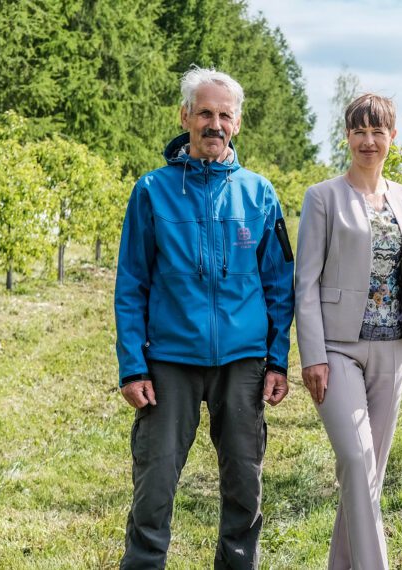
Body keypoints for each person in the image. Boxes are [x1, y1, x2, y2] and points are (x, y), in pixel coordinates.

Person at [113, 66, 295, 569]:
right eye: (205, 113)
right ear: (185, 117)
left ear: (237, 123)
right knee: (154, 483)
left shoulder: (259, 193)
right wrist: (132, 366)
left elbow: (279, 285)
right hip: (169, 359)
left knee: (244, 484)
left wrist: (278, 360)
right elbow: (131, 283)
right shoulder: (152, 191)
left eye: (225, 115)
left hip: (242, 360)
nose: (215, 124)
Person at [294, 93, 402, 570]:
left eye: (378, 131)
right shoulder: (323, 197)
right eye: (359, 131)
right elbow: (305, 283)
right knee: (356, 462)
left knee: (366, 477)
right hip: (338, 350)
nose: (368, 141)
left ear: (393, 136)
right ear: (347, 137)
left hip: (393, 350)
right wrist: (312, 355)